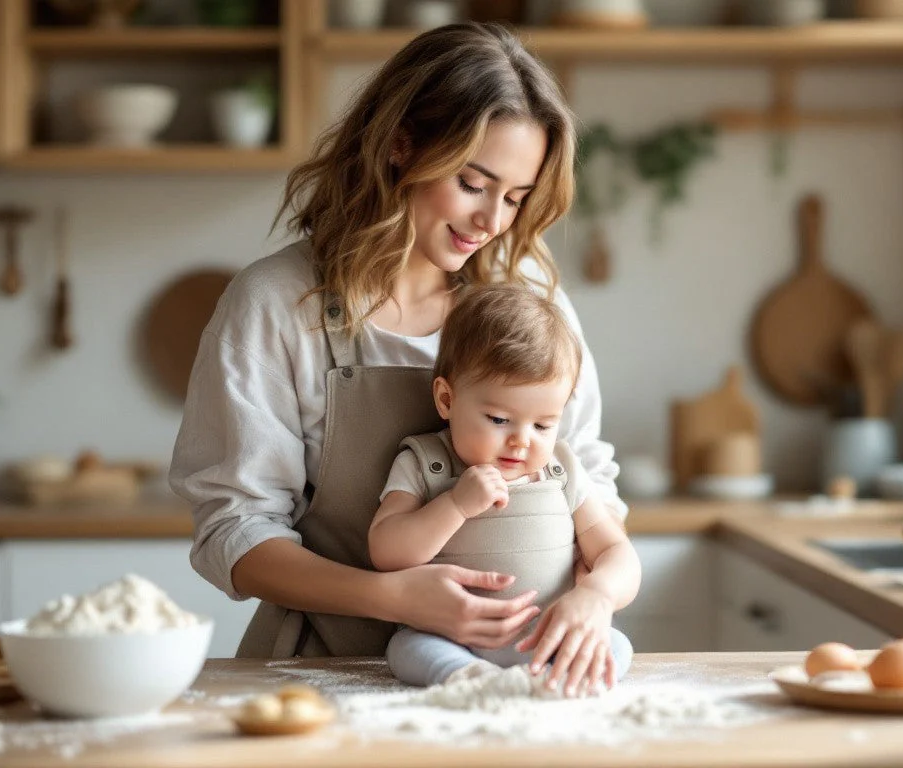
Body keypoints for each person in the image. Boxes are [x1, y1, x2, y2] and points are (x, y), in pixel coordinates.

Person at [169, 21, 626, 661]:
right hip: (325, 670)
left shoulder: (530, 301)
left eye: (516, 198)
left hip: (515, 678)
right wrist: (396, 599)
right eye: (472, 183)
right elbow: (235, 532)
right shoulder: (277, 304)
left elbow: (586, 482)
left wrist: (596, 598)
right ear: (400, 147)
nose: (491, 221)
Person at [371, 284, 639, 697]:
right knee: (406, 647)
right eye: (498, 419)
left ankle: (558, 683)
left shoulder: (561, 469)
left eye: (543, 425)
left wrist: (598, 596)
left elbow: (615, 551)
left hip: (549, 640)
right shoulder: (426, 462)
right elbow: (386, 551)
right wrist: (455, 505)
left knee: (616, 646)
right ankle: (472, 682)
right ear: (446, 399)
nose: (522, 440)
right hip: (452, 638)